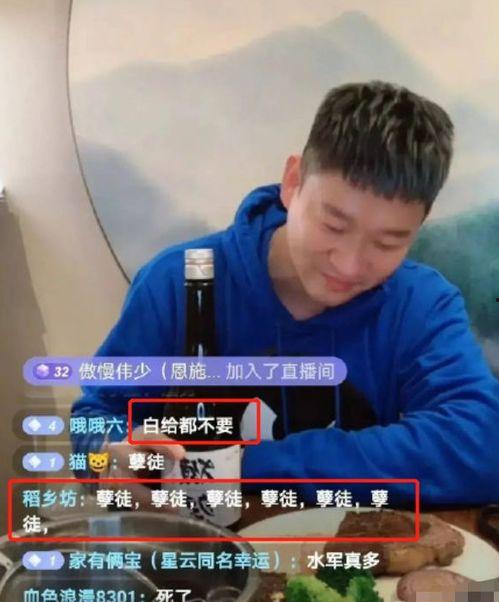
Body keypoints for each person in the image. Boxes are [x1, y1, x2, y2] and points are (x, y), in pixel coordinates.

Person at [72, 80, 499, 506]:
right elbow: (93, 423)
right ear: (293, 181)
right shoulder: (178, 282)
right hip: (201, 545)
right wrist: (111, 455)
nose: (349, 265)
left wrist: (242, 465)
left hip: (355, 546)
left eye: (388, 243)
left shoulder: (421, 303)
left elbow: (481, 444)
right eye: (333, 225)